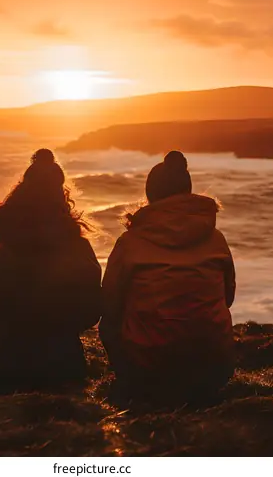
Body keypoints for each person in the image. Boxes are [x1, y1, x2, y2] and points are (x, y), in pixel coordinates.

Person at [100, 151, 236, 402]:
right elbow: (228, 297)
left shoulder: (130, 243)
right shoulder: (216, 239)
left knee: (109, 323)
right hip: (213, 362)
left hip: (149, 367)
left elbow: (109, 305)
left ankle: (127, 385)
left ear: (150, 195)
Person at [0, 148, 101, 390]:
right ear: (60, 194)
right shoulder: (76, 246)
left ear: (23, 189)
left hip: (2, 363)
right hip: (61, 364)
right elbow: (92, 309)